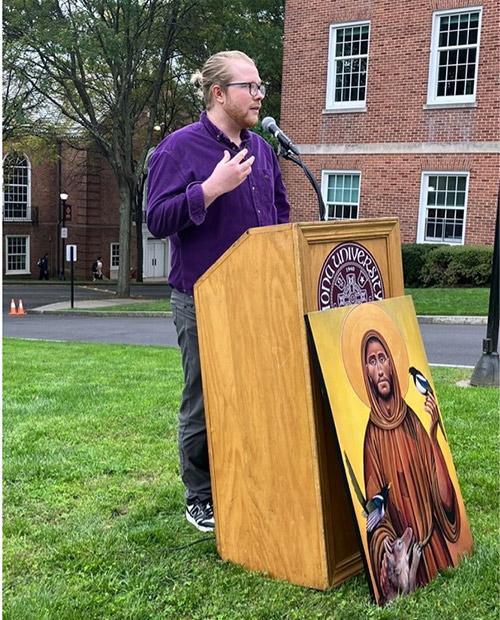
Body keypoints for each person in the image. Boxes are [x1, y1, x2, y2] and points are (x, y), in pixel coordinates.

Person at [147, 50, 290, 532]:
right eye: (248, 87)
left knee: (255, 392)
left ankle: (248, 474)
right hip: (201, 298)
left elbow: (280, 213)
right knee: (205, 396)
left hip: (257, 298)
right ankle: (201, 494)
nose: (258, 95)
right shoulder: (178, 149)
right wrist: (210, 188)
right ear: (218, 94)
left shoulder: (264, 150)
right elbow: (156, 218)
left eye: (260, 87)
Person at [361, 330, 461, 603]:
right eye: (372, 361)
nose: (379, 369)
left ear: (392, 367)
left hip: (433, 547)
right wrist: (391, 549)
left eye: (383, 359)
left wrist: (432, 432)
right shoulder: (371, 439)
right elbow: (374, 515)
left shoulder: (412, 421)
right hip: (405, 556)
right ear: (365, 373)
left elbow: (443, 496)